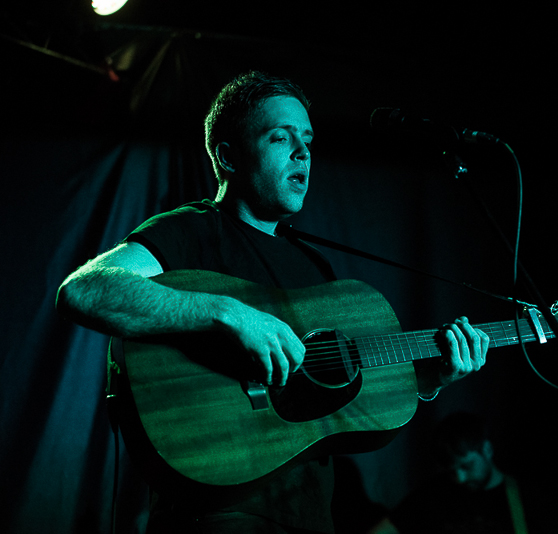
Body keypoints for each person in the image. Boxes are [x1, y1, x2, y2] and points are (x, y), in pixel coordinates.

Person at [55, 71, 490, 534]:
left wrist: (429, 377)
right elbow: (85, 290)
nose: (302, 152)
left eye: (307, 140)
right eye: (281, 138)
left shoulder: (314, 266)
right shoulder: (192, 230)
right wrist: (228, 314)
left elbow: (335, 400)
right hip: (217, 512)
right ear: (228, 156)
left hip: (310, 517)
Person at [371, 412, 558, 534]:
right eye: (451, 470)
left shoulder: (526, 497)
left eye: (466, 466)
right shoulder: (433, 494)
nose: (460, 478)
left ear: (487, 450)